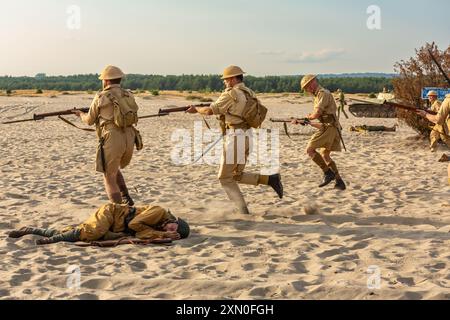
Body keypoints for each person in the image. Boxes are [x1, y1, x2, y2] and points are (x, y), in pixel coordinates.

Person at [186, 66, 283, 215]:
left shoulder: (231, 93)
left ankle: (242, 211)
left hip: (235, 138)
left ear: (232, 79)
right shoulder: (249, 92)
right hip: (248, 136)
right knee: (236, 175)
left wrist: (196, 110)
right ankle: (270, 180)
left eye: (225, 80)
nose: (224, 82)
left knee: (224, 177)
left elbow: (209, 111)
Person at [73, 65, 140, 206]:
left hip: (112, 138)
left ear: (106, 81)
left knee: (108, 176)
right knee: (113, 169)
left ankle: (119, 210)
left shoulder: (101, 96)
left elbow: (89, 120)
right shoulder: (128, 94)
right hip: (130, 136)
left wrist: (80, 114)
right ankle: (126, 198)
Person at [8, 203, 190, 245]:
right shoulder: (159, 212)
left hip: (117, 228)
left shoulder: (160, 227)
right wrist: (162, 234)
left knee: (81, 233)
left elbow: (140, 235)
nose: (170, 230)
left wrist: (163, 235)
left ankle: (32, 230)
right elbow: (135, 225)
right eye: (173, 228)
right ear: (173, 221)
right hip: (111, 213)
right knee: (93, 232)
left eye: (174, 232)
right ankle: (52, 240)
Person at [293, 75, 346, 190]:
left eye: (307, 87)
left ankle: (328, 173)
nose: (307, 90)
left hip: (330, 128)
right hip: (330, 127)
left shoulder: (322, 93)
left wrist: (307, 118)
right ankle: (339, 181)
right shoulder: (318, 95)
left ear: (312, 83)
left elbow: (316, 115)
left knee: (310, 150)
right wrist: (304, 121)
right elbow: (321, 119)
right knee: (325, 155)